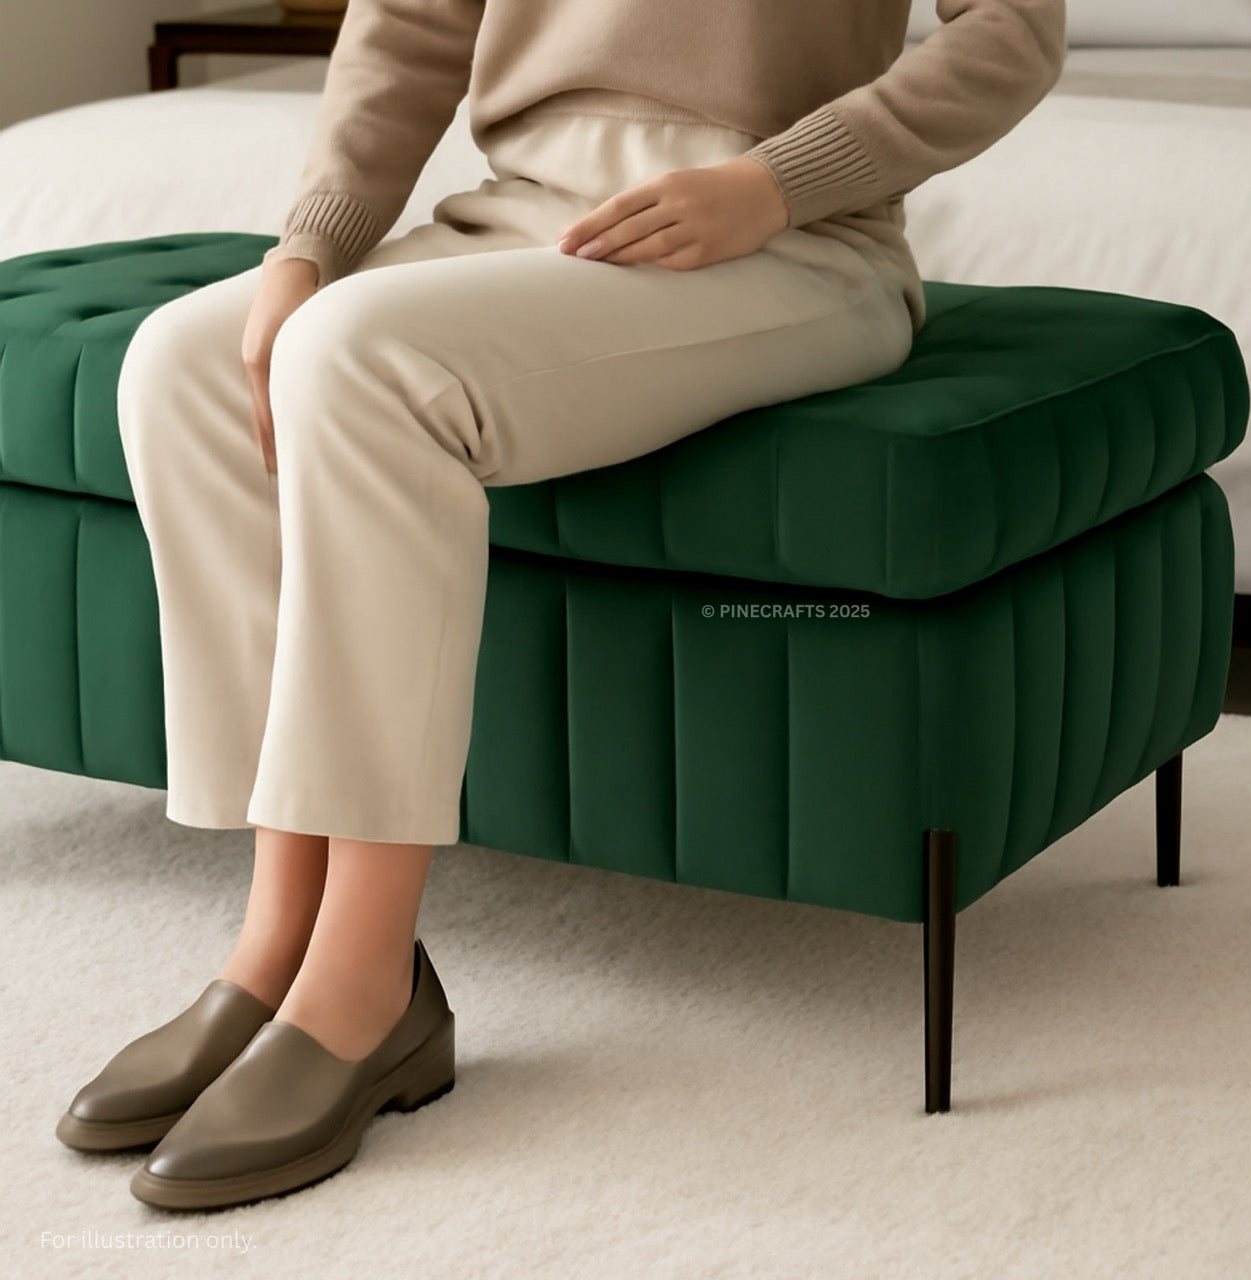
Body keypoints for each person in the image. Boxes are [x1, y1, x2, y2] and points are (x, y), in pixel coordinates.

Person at [57, 0, 1066, 1210]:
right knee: (182, 366)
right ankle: (275, 945)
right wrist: (310, 244)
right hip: (519, 215)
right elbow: (408, 25)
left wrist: (775, 180)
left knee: (359, 364)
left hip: (786, 239)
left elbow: (1012, 29)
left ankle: (365, 987)